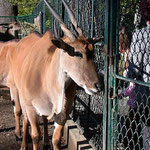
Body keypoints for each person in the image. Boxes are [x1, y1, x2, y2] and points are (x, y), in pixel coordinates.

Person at [122, 0, 150, 149]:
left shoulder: (140, 35)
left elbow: (135, 68)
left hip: (143, 93)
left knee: (135, 125)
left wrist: (127, 75)